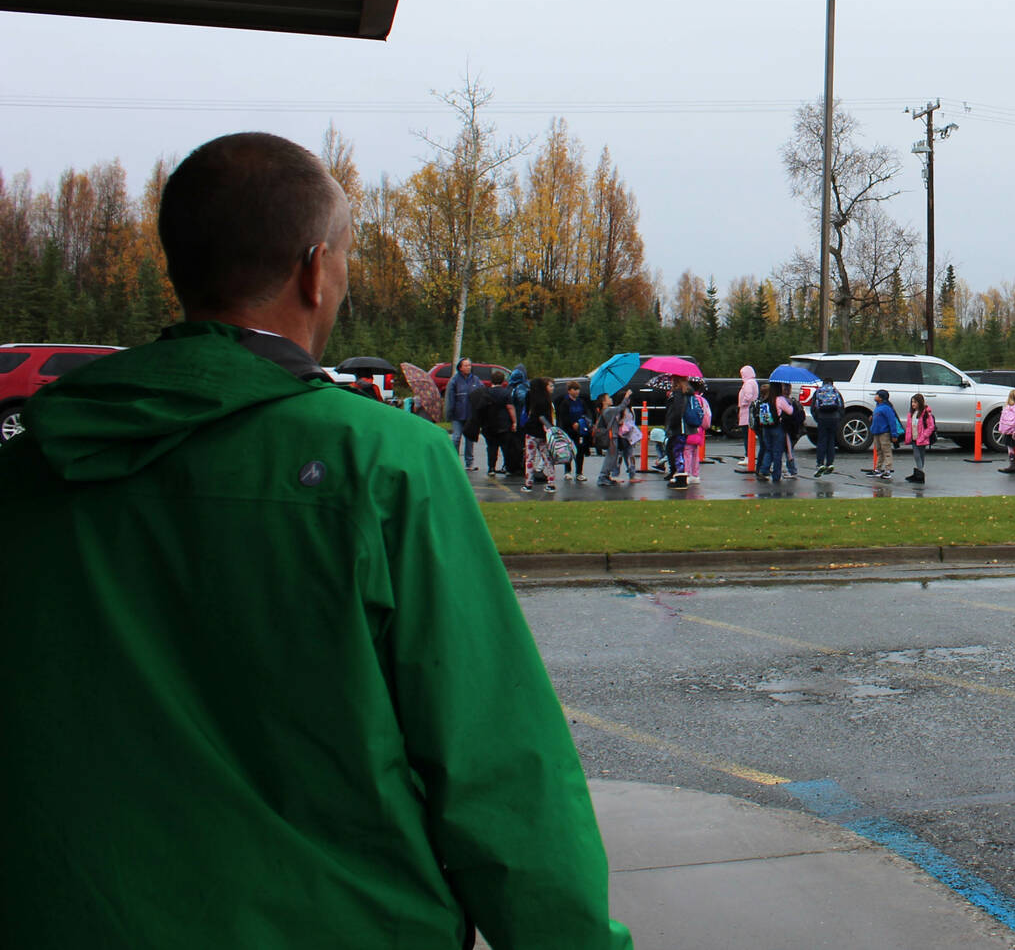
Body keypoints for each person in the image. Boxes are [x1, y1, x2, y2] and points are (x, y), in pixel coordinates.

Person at [0, 131, 629, 948]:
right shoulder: (385, 463)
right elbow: (499, 769)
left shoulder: (29, 468)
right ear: (314, 269)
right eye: (344, 259)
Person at [521, 376, 560, 495]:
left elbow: (527, 410)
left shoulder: (530, 396)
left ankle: (528, 483)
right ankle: (551, 482)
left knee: (530, 458)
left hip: (531, 431)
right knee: (547, 457)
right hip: (543, 432)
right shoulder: (547, 399)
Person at [446, 357, 482, 468]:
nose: (468, 367)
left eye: (469, 365)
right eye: (465, 365)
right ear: (460, 368)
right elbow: (450, 398)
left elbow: (482, 394)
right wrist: (449, 413)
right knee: (456, 437)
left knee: (470, 439)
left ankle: (469, 463)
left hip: (471, 415)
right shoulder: (454, 380)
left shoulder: (475, 380)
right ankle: (454, 461)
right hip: (457, 414)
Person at [810, 374, 845, 475]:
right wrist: (839, 418)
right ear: (832, 383)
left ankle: (820, 463)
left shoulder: (818, 391)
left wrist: (817, 418)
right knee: (831, 441)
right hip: (834, 418)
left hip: (822, 418)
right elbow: (841, 406)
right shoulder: (835, 391)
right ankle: (830, 463)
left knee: (822, 441)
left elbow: (814, 408)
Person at [560, 380, 593, 482]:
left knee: (580, 451)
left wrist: (582, 422)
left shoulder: (581, 402)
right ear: (569, 391)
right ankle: (567, 471)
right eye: (574, 389)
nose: (576, 391)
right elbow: (563, 417)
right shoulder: (565, 402)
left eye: (578, 389)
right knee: (569, 451)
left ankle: (579, 472)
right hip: (568, 430)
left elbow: (586, 413)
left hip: (580, 430)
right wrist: (571, 423)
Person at [871, 388, 903, 479]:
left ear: (881, 398)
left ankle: (888, 470)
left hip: (884, 432)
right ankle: (878, 469)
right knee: (879, 451)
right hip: (876, 432)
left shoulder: (886, 408)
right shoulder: (878, 406)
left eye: (877, 395)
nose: (875, 396)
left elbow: (892, 421)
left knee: (886, 451)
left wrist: (894, 434)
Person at [905, 393, 937, 485]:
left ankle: (920, 473)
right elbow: (909, 427)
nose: (913, 404)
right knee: (917, 455)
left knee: (920, 455)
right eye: (912, 402)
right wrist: (908, 437)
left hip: (922, 438)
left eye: (915, 402)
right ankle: (919, 472)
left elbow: (931, 426)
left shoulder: (925, 413)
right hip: (914, 438)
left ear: (920, 402)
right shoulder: (911, 414)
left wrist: (923, 436)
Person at [736, 363, 760, 469]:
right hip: (750, 412)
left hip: (746, 412)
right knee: (749, 435)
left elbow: (748, 396)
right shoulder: (753, 382)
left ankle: (748, 456)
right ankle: (749, 456)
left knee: (747, 435)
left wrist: (743, 403)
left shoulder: (748, 383)